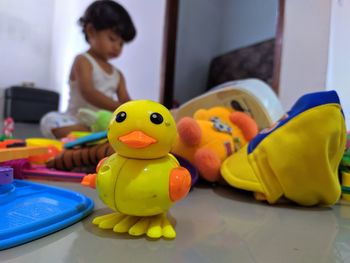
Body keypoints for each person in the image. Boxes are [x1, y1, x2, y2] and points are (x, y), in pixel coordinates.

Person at [40, 0, 136, 139]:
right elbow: (88, 92)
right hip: (75, 119)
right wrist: (118, 107)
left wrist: (136, 112)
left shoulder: (118, 75)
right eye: (112, 38)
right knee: (48, 121)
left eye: (121, 44)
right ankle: (92, 133)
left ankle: (95, 133)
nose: (117, 47)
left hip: (104, 120)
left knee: (117, 126)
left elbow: (127, 101)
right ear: (91, 31)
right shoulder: (83, 60)